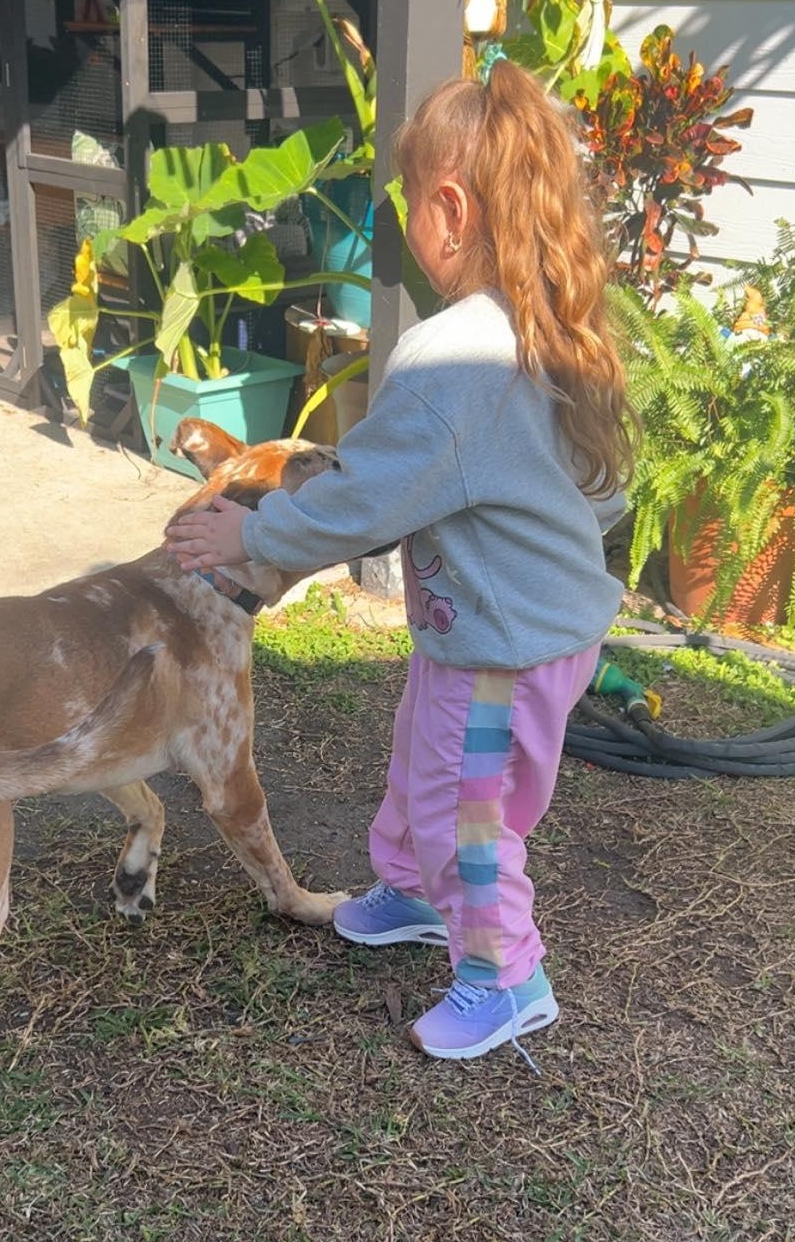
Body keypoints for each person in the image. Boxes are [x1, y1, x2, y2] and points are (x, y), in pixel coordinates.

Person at [165, 60, 637, 1065]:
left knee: (465, 812)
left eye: (408, 200)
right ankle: (415, 894)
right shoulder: (552, 324)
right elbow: (601, 491)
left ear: (451, 210)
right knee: (421, 763)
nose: (405, 222)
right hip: (493, 627)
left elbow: (365, 495)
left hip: (504, 645)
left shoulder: (454, 359)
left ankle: (506, 977)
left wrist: (254, 538)